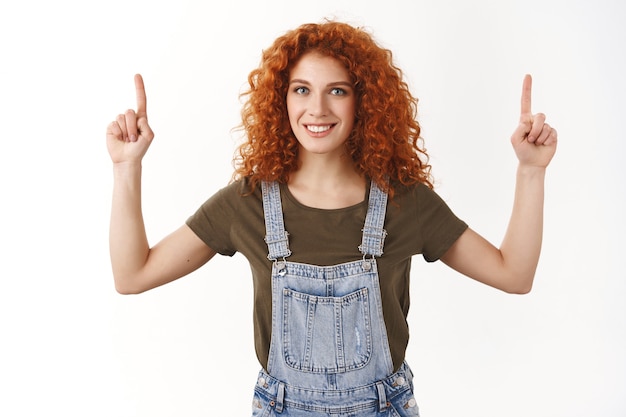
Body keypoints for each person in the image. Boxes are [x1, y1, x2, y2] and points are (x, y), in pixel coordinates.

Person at [106, 21, 557, 417]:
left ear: (365, 102)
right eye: (301, 89)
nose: (317, 109)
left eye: (336, 90)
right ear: (280, 101)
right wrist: (127, 167)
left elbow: (514, 274)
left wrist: (531, 171)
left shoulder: (406, 202)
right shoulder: (246, 202)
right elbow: (133, 274)